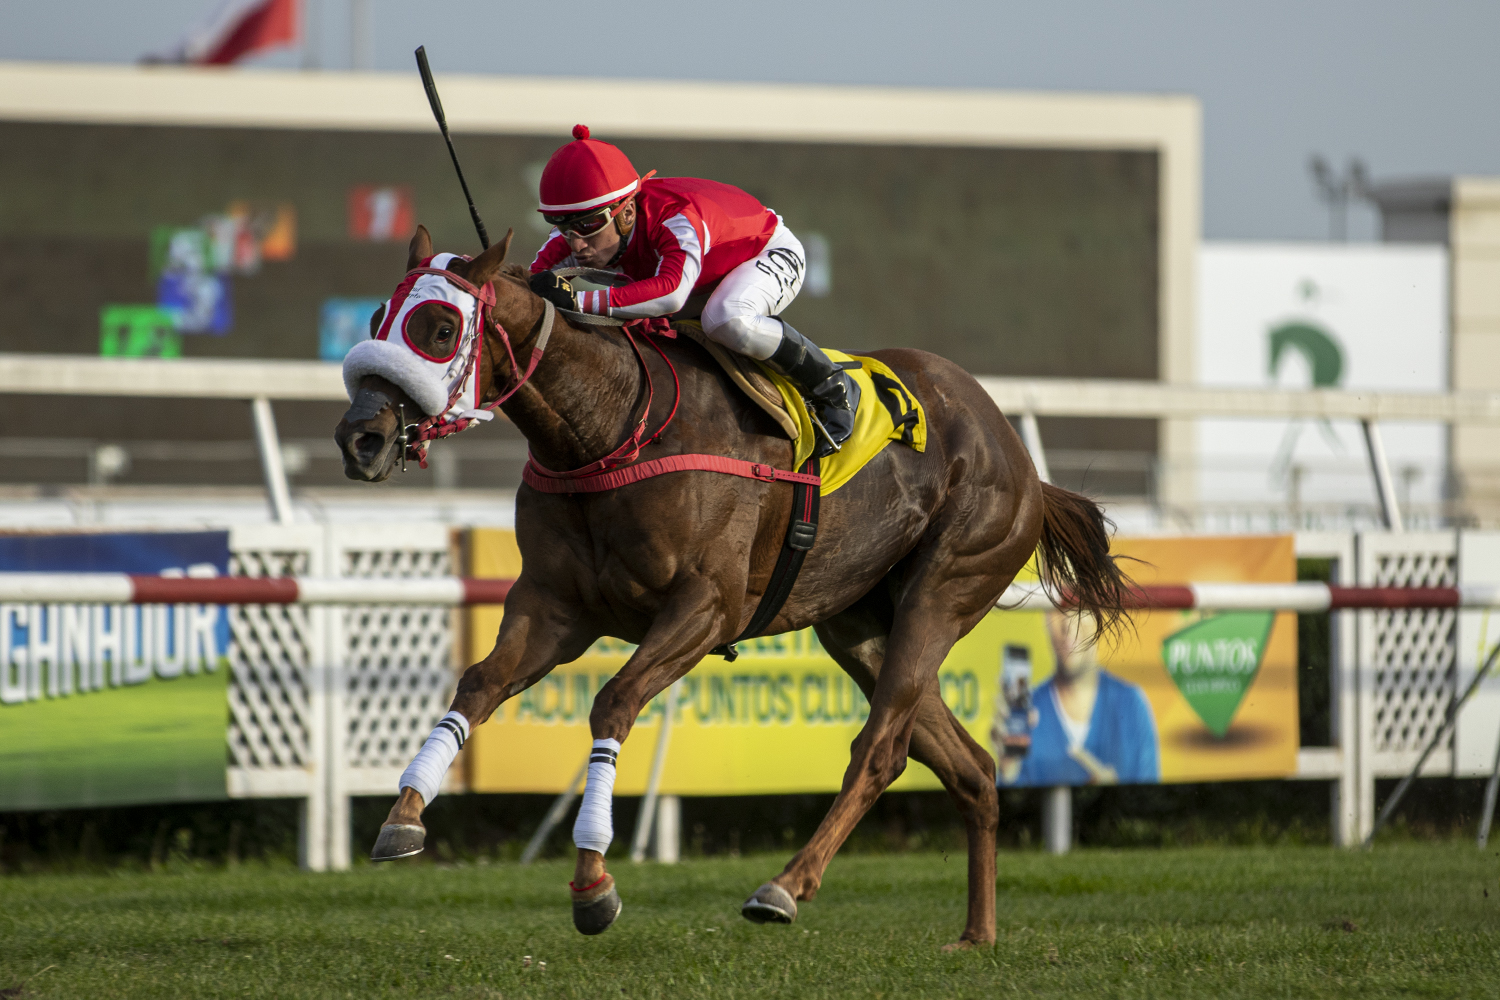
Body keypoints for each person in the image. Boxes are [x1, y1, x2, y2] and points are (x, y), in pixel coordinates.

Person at [526, 125, 856, 455]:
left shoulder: (676, 218)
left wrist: (579, 301)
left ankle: (833, 386)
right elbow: (531, 287)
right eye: (563, 226)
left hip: (766, 251)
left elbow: (671, 293)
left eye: (589, 224)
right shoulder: (573, 238)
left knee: (726, 318)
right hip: (699, 281)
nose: (577, 243)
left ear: (626, 212)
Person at [999, 611, 1159, 787]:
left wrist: (1114, 797)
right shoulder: (1023, 717)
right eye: (1056, 608)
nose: (1068, 624)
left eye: (1080, 606)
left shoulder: (1132, 705)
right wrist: (1007, 772)